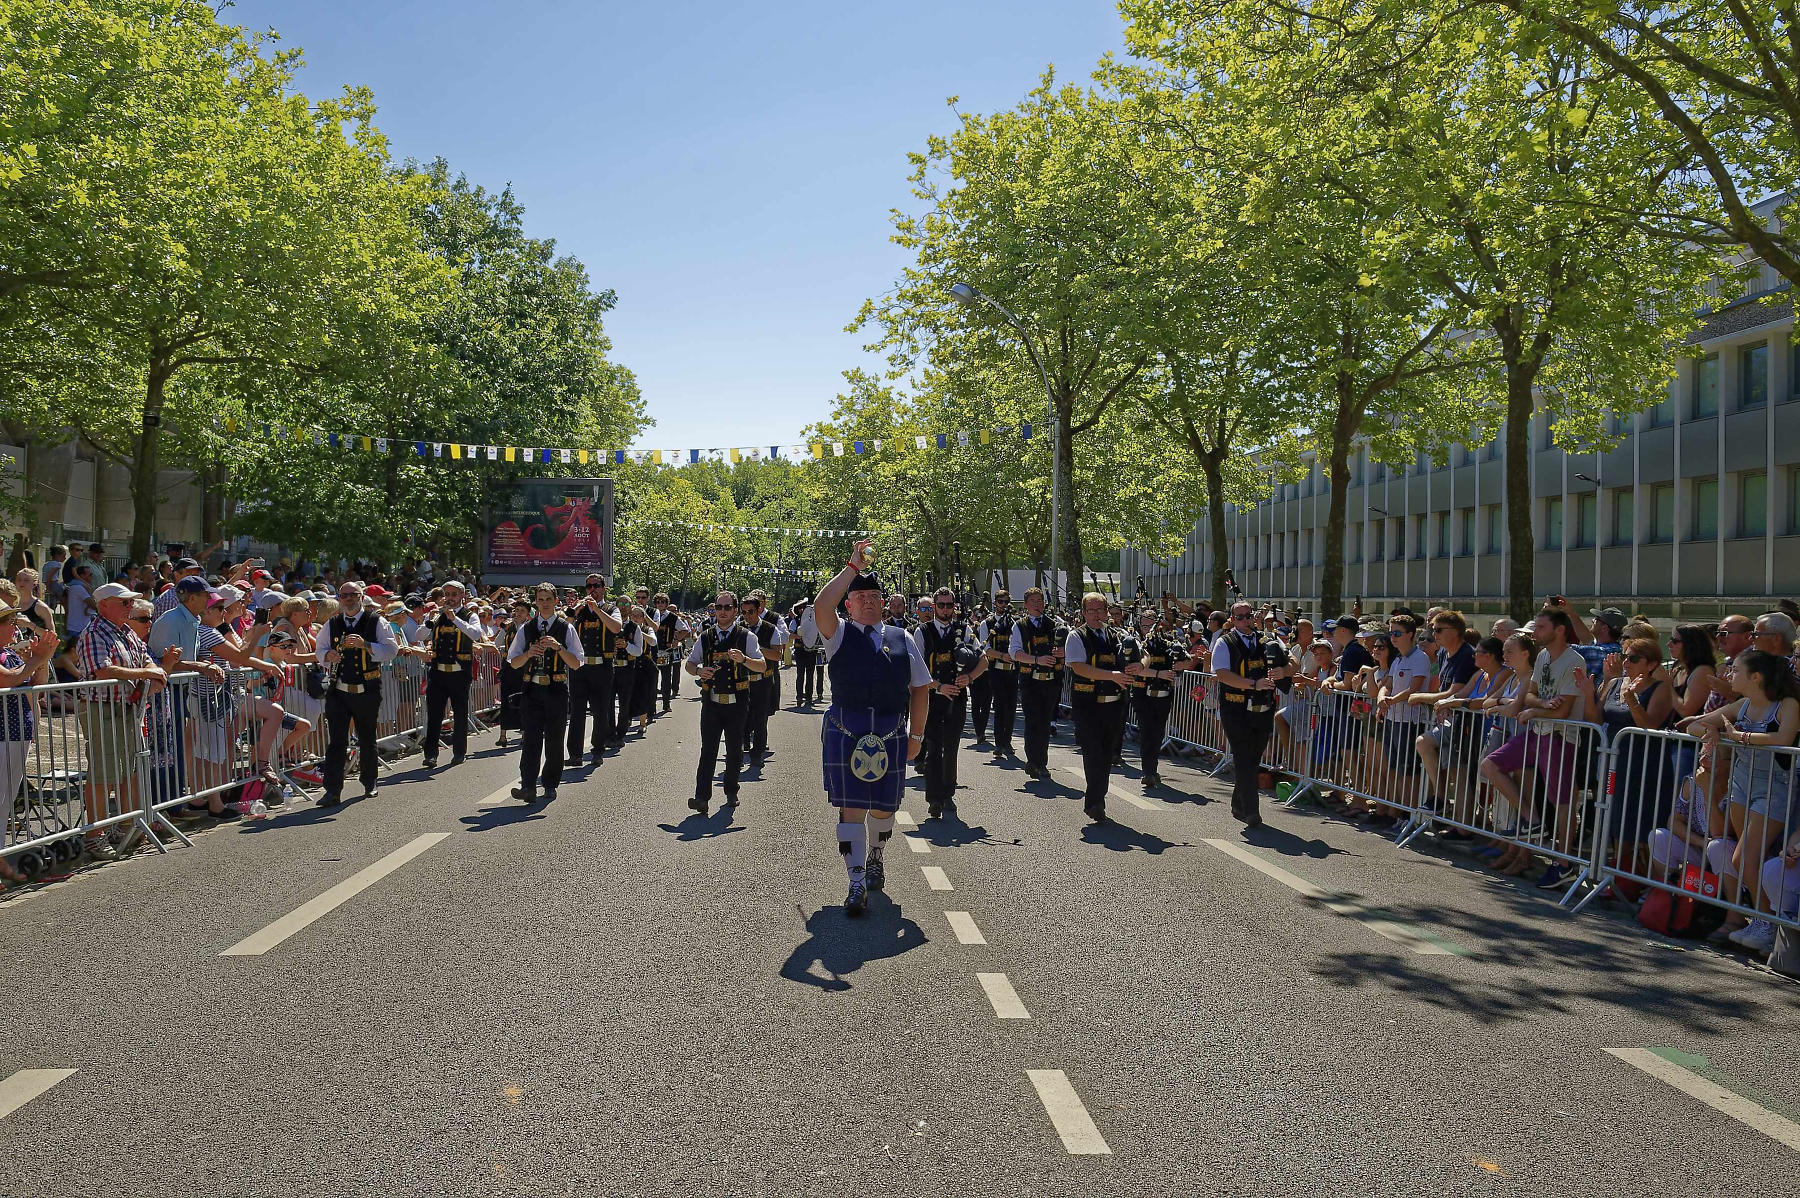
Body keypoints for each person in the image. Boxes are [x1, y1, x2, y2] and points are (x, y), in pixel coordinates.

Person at [813, 542, 930, 916]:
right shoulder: (839, 634)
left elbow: (920, 689)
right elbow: (821, 605)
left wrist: (916, 736)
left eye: (873, 595)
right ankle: (856, 879)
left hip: (892, 731)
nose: (867, 601)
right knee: (851, 809)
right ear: (849, 604)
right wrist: (852, 566)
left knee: (883, 809)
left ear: (883, 601)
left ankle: (876, 855)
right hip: (847, 729)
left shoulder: (903, 638)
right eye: (859, 596)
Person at [313, 580, 400, 806]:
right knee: (337, 741)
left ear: (361, 597)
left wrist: (367, 646)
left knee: (367, 737)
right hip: (339, 691)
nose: (348, 599)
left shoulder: (376, 621)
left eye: (353, 594)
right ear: (339, 599)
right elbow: (319, 650)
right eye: (344, 595)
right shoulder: (332, 623)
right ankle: (332, 790)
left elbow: (392, 650)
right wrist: (327, 656)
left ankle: (370, 781)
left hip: (367, 690)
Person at [1211, 600, 1293, 830]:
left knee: (1253, 757)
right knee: (1243, 754)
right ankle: (1251, 811)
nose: (1246, 620)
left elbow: (1293, 664)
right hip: (1235, 708)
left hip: (1263, 709)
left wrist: (1283, 670)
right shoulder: (1224, 642)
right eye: (1240, 617)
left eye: (1249, 615)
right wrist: (1252, 684)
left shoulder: (1268, 640)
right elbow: (1223, 674)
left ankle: (1238, 803)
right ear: (1232, 620)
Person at [686, 589, 768, 813]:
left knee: (733, 749)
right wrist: (699, 671)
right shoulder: (706, 635)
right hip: (711, 702)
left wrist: (744, 659)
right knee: (708, 749)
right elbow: (690, 664)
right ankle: (701, 797)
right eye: (718, 607)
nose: (722, 612)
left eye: (727, 608)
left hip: (737, 701)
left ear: (735, 610)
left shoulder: (746, 636)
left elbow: (761, 666)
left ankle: (731, 790)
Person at [506, 582, 584, 804]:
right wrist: (529, 653)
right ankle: (528, 785)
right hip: (532, 689)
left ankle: (550, 783)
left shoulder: (565, 628)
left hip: (556, 689)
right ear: (536, 603)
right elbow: (513, 662)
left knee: (554, 738)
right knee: (530, 738)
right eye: (540, 599)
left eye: (549, 599)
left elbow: (577, 663)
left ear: (555, 601)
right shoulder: (527, 628)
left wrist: (558, 647)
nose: (545, 603)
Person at [914, 586, 985, 820]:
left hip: (956, 697)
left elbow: (983, 658)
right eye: (941, 605)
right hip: (932, 697)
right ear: (934, 606)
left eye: (949, 605)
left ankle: (948, 793)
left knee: (951, 746)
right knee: (934, 747)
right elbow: (916, 669)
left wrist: (970, 677)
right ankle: (934, 798)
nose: (945, 609)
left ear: (954, 606)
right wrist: (938, 685)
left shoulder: (963, 630)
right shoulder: (922, 632)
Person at [1064, 591, 1132, 823]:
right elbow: (1079, 667)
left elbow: (1143, 656)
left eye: (1100, 610)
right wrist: (1111, 675)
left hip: (1113, 705)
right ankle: (1095, 801)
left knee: (1106, 755)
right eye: (1091, 610)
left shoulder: (1119, 635)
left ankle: (1097, 797)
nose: (1096, 614)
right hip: (1087, 705)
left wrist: (1140, 666)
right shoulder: (1076, 636)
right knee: (1092, 753)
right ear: (1083, 613)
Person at [420, 580, 486, 769]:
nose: (449, 598)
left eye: (453, 594)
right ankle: (430, 754)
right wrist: (430, 619)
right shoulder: (437, 616)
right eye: (446, 594)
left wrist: (454, 618)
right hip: (438, 672)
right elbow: (419, 635)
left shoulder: (469, 615)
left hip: (459, 673)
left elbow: (475, 634)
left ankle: (459, 752)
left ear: (462, 596)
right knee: (434, 715)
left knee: (460, 713)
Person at [1122, 606, 1188, 790]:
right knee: (1146, 729)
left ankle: (1152, 768)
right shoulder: (1134, 642)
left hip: (1162, 693)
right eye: (1144, 625)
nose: (1146, 629)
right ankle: (1148, 771)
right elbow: (1135, 668)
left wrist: (1179, 664)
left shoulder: (1167, 641)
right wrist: (1159, 673)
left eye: (1150, 625)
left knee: (1158, 731)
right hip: (1141, 691)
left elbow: (1183, 661)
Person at [566, 574, 627, 765]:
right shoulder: (580, 611)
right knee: (577, 711)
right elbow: (564, 626)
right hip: (580, 666)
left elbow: (616, 628)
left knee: (600, 710)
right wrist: (577, 609)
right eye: (588, 586)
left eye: (596, 585)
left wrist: (597, 609)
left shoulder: (611, 609)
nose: (592, 589)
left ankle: (598, 750)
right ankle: (575, 754)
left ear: (603, 588)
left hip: (602, 666)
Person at [1010, 586, 1063, 781]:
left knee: (1045, 723)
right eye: (1033, 602)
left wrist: (1062, 653)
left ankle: (1042, 762)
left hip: (1051, 681)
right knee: (1033, 721)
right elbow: (1014, 653)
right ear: (1025, 605)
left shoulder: (1054, 624)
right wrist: (1036, 660)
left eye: (1040, 601)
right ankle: (1033, 761)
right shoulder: (1020, 626)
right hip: (1030, 682)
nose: (1037, 605)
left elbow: (1067, 648)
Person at [975, 589, 1019, 758]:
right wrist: (1002, 656)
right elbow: (985, 648)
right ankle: (999, 742)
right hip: (996, 670)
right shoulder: (987, 623)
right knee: (1000, 706)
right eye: (1000, 602)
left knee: (1011, 707)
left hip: (1013, 671)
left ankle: (1007, 741)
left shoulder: (1015, 622)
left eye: (1006, 602)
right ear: (995, 603)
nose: (1003, 605)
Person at [742, 591, 786, 761]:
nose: (747, 616)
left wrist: (756, 648)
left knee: (761, 718)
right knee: (742, 715)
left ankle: (758, 751)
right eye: (744, 612)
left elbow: (777, 655)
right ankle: (742, 744)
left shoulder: (770, 629)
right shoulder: (740, 628)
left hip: (763, 681)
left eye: (750, 612)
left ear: (759, 610)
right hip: (743, 680)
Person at [652, 592, 690, 714]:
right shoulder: (651, 614)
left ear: (666, 604)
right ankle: (650, 706)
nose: (660, 604)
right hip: (652, 650)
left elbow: (685, 630)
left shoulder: (673, 618)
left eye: (662, 602)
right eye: (658, 602)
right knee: (652, 678)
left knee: (666, 678)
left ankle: (666, 703)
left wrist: (676, 640)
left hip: (666, 651)